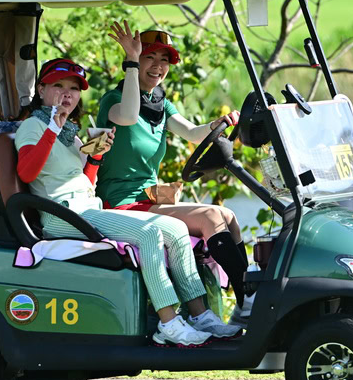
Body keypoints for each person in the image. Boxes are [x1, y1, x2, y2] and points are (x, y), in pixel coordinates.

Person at [15, 57, 241, 346]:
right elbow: (26, 172)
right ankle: (168, 322)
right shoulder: (33, 127)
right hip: (63, 216)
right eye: (58, 86)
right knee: (149, 234)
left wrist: (96, 156)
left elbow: (86, 182)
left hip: (86, 208)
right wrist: (50, 132)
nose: (67, 94)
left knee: (176, 230)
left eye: (74, 88)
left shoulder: (69, 132)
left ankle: (200, 315)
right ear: (41, 89)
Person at [96, 21, 251, 310]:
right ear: (136, 60)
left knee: (228, 216)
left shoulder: (160, 104)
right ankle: (248, 300)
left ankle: (245, 301)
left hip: (149, 200)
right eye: (149, 57)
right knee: (210, 216)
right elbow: (129, 116)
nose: (158, 66)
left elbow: (192, 133)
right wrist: (131, 60)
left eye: (164, 59)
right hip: (120, 204)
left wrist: (216, 124)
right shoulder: (113, 101)